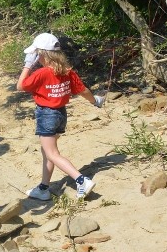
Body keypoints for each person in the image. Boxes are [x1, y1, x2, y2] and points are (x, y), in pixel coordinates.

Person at [16, 32, 105, 201]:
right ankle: (43, 188)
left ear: (41, 54)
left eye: (36, 55)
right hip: (61, 114)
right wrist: (95, 101)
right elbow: (83, 91)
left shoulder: (42, 73)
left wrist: (27, 65)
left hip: (47, 114)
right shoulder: (67, 71)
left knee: (52, 153)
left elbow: (20, 85)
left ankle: (81, 180)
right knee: (48, 151)